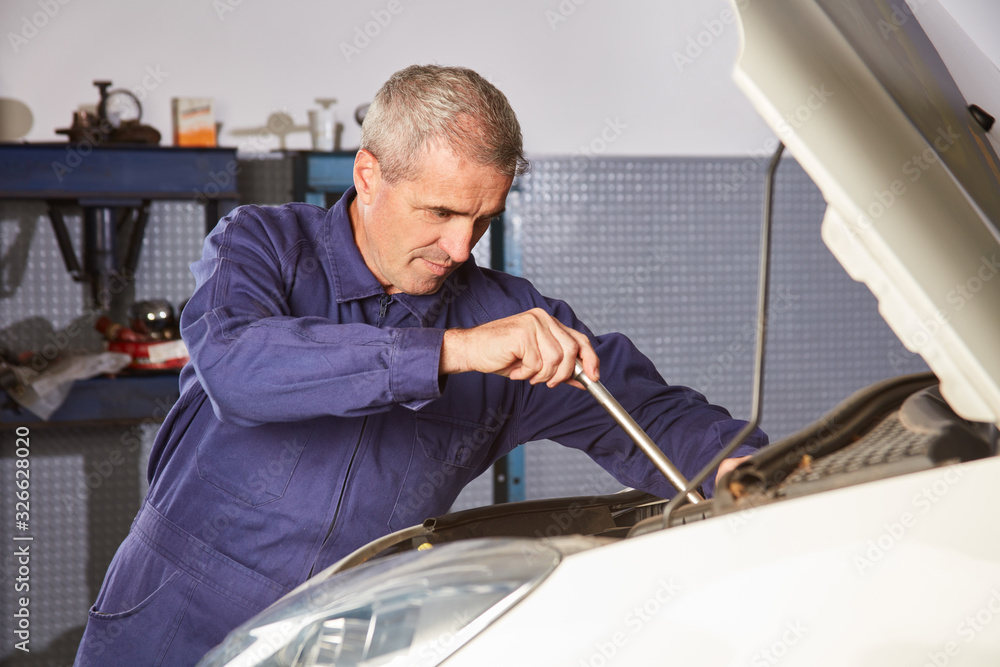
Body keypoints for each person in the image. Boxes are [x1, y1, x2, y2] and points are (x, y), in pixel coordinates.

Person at [74, 64, 767, 666]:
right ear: (369, 175)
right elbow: (238, 365)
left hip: (350, 635)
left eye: (483, 218)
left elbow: (643, 411)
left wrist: (740, 468)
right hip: (175, 616)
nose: (462, 248)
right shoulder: (263, 246)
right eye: (440, 211)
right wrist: (454, 351)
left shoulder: (509, 314)